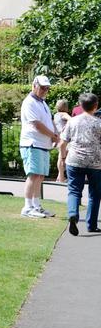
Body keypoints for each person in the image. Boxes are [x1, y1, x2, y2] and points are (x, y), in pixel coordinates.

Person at [60, 93, 101, 236]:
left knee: (74, 190)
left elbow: (63, 142)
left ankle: (73, 214)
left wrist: (63, 157)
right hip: (95, 162)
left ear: (80, 105)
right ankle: (91, 224)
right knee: (95, 194)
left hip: (74, 159)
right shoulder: (99, 123)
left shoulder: (73, 121)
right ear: (95, 106)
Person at [19, 76, 59, 218]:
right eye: (42, 88)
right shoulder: (29, 102)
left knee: (40, 176)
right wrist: (53, 135)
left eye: (47, 88)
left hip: (42, 144)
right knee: (33, 174)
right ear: (34, 85)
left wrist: (55, 134)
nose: (45, 90)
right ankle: (28, 207)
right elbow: (36, 125)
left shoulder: (43, 103)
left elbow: (48, 121)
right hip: (32, 143)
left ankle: (36, 205)